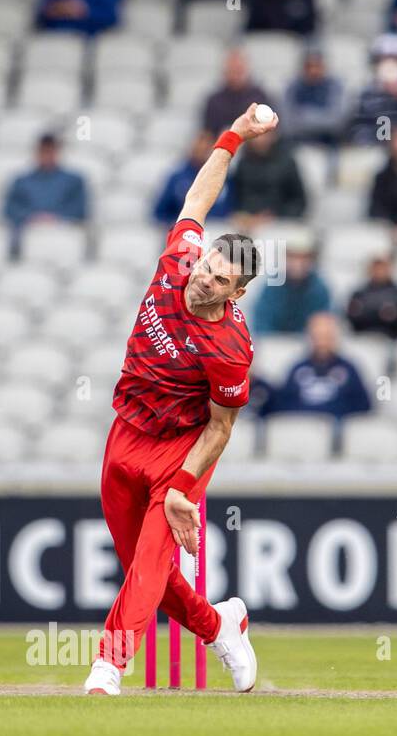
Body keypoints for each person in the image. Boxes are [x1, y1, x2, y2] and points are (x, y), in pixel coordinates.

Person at [83, 104, 275, 697]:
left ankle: (109, 665)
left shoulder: (231, 348)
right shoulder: (180, 258)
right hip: (127, 429)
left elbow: (221, 428)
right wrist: (233, 136)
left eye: (219, 281)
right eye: (208, 267)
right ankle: (220, 626)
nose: (203, 280)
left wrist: (182, 486)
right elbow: (197, 199)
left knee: (147, 563)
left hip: (180, 447)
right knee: (145, 570)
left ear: (236, 293)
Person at [268, 313, 371, 419]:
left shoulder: (349, 369)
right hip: (302, 425)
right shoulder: (297, 369)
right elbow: (282, 406)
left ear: (335, 337)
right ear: (310, 336)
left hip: (337, 427)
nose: (322, 342)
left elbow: (363, 406)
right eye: (318, 335)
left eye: (327, 336)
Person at [345, 33, 397, 144]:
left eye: (396, 59)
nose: (390, 64)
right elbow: (359, 126)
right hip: (376, 145)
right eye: (384, 59)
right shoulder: (366, 92)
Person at [3, 133, 89, 230]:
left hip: (64, 230)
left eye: (50, 151)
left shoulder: (74, 181)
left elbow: (80, 209)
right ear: (37, 152)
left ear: (57, 152)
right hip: (29, 230)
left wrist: (56, 217)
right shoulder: (21, 181)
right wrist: (32, 217)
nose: (47, 155)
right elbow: (10, 209)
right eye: (43, 151)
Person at [228, 126, 308, 224]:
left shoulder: (287, 163)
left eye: (265, 134)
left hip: (279, 224)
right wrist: (241, 215)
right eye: (256, 135)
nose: (260, 139)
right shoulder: (243, 163)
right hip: (246, 224)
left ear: (274, 135)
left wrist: (276, 216)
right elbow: (235, 198)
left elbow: (299, 202)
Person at [253, 234, 331, 333]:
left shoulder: (320, 290)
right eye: (293, 257)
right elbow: (261, 323)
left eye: (304, 257)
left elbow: (324, 323)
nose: (298, 263)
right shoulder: (272, 286)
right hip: (274, 340)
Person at [153, 128, 233, 224]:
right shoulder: (177, 178)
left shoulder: (225, 178)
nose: (202, 150)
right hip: (185, 230)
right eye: (199, 147)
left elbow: (231, 210)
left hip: (217, 229)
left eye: (206, 148)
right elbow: (160, 213)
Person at [281, 48, 347, 146]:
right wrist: (322, 117)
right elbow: (287, 124)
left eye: (317, 66)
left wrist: (303, 115)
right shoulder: (292, 87)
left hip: (329, 144)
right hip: (297, 143)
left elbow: (337, 122)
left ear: (324, 67)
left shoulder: (335, 86)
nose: (313, 71)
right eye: (309, 66)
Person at [203, 49, 276, 135]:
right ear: (225, 71)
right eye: (232, 70)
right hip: (224, 141)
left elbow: (270, 133)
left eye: (239, 69)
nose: (236, 74)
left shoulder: (259, 96)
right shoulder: (215, 101)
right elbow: (208, 132)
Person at [345, 255, 397, 338]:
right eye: (376, 268)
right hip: (363, 336)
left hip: (391, 338)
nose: (379, 271)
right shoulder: (359, 294)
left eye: (383, 268)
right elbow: (353, 318)